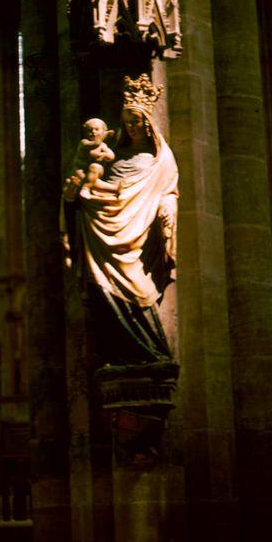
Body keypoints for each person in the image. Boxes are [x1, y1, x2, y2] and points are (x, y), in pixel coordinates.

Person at [63, 74, 178, 364]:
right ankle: (118, 354)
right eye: (126, 121)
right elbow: (92, 189)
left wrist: (168, 209)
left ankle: (153, 350)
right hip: (101, 234)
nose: (130, 126)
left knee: (141, 288)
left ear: (148, 123)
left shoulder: (160, 159)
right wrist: (73, 196)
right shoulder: (114, 154)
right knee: (104, 293)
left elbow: (168, 190)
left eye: (136, 121)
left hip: (139, 238)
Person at [67, 117, 115, 200]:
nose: (93, 132)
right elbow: (94, 148)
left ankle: (86, 188)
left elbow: (111, 156)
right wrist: (105, 135)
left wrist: (104, 155)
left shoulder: (103, 146)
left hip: (96, 171)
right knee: (88, 180)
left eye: (97, 129)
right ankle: (114, 189)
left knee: (95, 167)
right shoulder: (84, 142)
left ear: (103, 130)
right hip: (81, 171)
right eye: (90, 130)